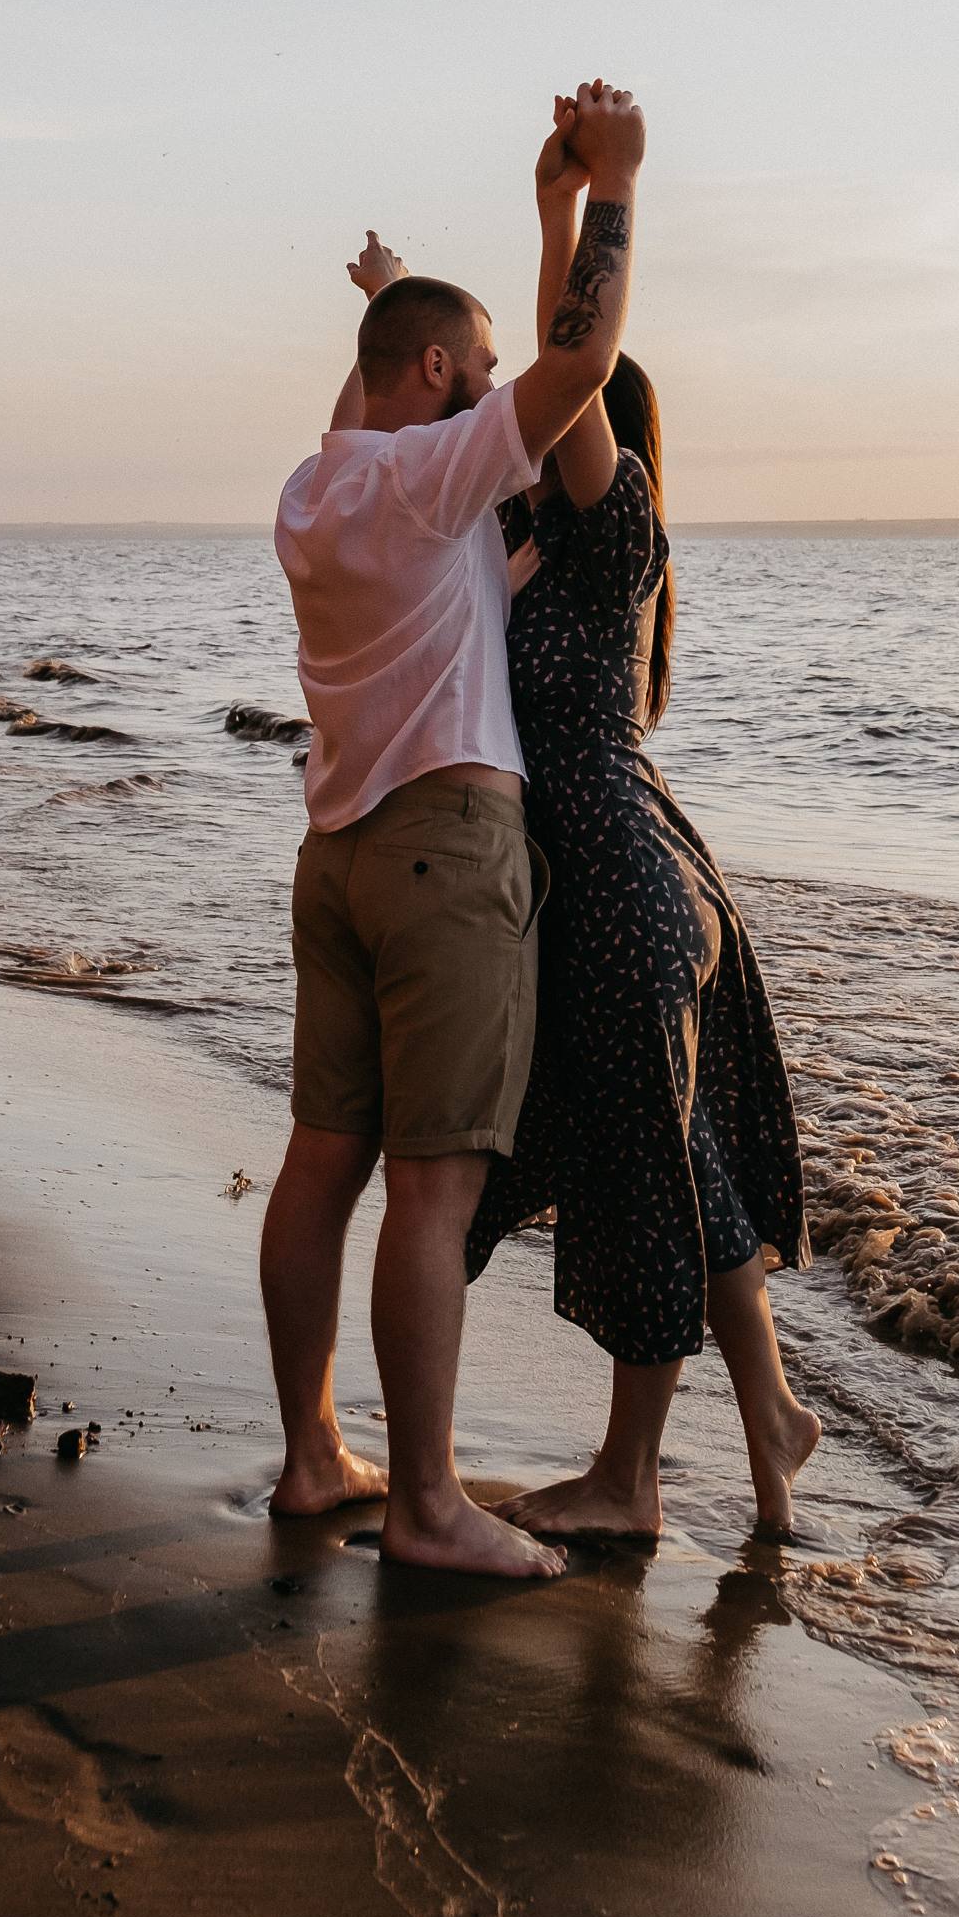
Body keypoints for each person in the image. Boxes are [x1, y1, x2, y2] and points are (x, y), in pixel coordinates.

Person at [261, 83, 649, 1579]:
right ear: (436, 378)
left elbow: (378, 383)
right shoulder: (435, 480)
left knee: (321, 1161)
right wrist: (609, 187)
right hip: (442, 852)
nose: (502, 390)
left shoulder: (316, 489)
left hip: (337, 854)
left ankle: (315, 1457)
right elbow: (583, 357)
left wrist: (406, 291)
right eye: (474, 371)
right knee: (431, 1185)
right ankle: (425, 1506)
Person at [467, 94, 820, 1541]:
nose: (541, 417)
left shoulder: (612, 525)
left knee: (643, 1176)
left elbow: (571, 354)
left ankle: (627, 1483)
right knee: (677, 1156)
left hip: (617, 877)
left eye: (570, 405)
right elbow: (511, 386)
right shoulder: (523, 536)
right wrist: (543, 207)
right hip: (608, 860)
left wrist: (600, 199)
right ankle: (774, 1418)